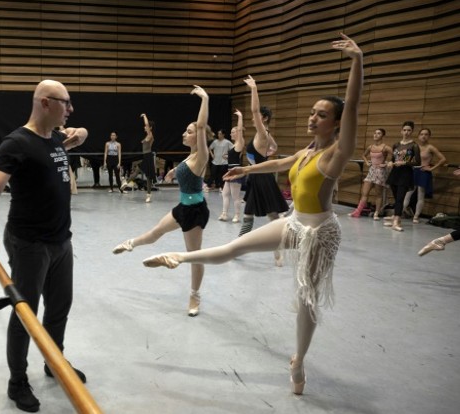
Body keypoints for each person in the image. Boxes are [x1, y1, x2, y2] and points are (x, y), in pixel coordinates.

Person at [143, 34, 363, 396]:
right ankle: (178, 256)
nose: (312, 118)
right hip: (295, 223)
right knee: (236, 246)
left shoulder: (337, 152)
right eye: (312, 112)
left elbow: (353, 105)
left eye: (321, 115)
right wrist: (247, 171)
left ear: (337, 123)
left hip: (319, 232)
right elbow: (282, 161)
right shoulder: (309, 150)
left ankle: (299, 361)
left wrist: (358, 61)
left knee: (306, 297)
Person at [0, 79, 88, 413]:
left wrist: (81, 133)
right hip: (28, 243)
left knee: (59, 308)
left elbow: (73, 137)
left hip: (60, 240)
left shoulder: (55, 138)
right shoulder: (16, 143)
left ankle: (54, 362)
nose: (70, 109)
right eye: (65, 103)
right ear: (44, 102)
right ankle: (17, 381)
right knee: (26, 313)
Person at [113, 85, 212, 317]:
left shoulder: (203, 155)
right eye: (186, 131)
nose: (184, 134)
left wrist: (205, 99)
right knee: (157, 231)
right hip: (183, 206)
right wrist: (173, 172)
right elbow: (186, 167)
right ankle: (131, 243)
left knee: (194, 256)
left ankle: (195, 296)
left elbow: (200, 126)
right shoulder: (191, 156)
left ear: (199, 135)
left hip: (195, 211)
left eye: (189, 131)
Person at [238, 75, 290, 265]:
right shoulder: (265, 135)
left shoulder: (262, 133)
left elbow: (254, 109)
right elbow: (274, 147)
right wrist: (269, 151)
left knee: (273, 217)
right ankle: (239, 245)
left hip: (262, 178)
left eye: (257, 116)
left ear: (264, 118)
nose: (253, 118)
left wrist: (253, 88)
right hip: (255, 177)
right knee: (249, 214)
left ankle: (279, 250)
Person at [402, 128, 446, 223]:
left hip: (423, 172)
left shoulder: (430, 147)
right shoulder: (413, 146)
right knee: (407, 193)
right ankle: (400, 212)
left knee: (420, 195)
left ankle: (416, 216)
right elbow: (406, 159)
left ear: (429, 136)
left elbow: (443, 159)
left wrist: (431, 168)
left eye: (426, 134)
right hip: (413, 171)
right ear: (418, 136)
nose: (423, 136)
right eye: (422, 134)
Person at [384, 121, 421, 231]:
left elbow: (418, 162)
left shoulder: (414, 145)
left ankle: (396, 221)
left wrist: (404, 162)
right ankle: (397, 218)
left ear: (412, 132)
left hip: (405, 174)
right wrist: (390, 163)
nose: (406, 132)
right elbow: (393, 159)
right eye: (404, 130)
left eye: (409, 130)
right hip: (395, 173)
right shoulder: (396, 144)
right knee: (397, 198)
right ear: (401, 131)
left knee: (400, 198)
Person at [349, 128, 392, 220]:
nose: (376, 135)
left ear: (382, 136)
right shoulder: (370, 146)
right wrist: (367, 162)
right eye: (375, 133)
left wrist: (389, 163)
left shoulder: (385, 147)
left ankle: (377, 213)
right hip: (371, 171)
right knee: (364, 192)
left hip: (380, 172)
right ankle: (358, 211)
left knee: (378, 194)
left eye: (378, 133)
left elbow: (396, 155)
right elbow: (363, 155)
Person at [220, 109, 246, 223]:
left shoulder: (240, 142)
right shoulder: (234, 145)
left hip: (236, 172)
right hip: (229, 171)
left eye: (232, 132)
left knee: (235, 196)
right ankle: (224, 214)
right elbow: (234, 156)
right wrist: (227, 157)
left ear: (237, 133)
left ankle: (237, 215)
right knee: (225, 194)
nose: (231, 134)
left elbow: (240, 129)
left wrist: (240, 117)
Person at [140, 113, 156, 202]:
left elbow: (146, 124)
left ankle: (126, 182)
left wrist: (145, 116)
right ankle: (148, 195)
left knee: (141, 170)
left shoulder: (150, 135)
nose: (145, 127)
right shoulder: (147, 135)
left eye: (146, 126)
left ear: (150, 128)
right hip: (146, 156)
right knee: (148, 176)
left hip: (148, 156)